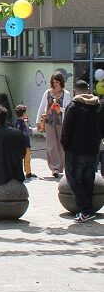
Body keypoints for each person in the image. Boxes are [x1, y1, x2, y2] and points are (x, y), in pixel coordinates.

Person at [61, 80, 104, 222]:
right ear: (88, 89)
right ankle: (87, 209)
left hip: (75, 149)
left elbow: (66, 130)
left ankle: (86, 209)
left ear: (75, 91)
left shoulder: (73, 107)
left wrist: (65, 146)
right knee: (88, 179)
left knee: (72, 179)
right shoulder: (98, 106)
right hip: (93, 149)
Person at [37, 72, 71, 177]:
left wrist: (59, 108)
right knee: (51, 145)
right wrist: (38, 121)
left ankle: (60, 166)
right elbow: (42, 107)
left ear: (61, 82)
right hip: (49, 121)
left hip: (61, 122)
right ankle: (54, 167)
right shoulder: (47, 93)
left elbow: (69, 110)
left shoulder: (66, 94)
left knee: (61, 144)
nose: (55, 84)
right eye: (53, 82)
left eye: (57, 82)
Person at [14, 104, 37, 178]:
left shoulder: (23, 121)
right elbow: (24, 132)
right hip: (22, 143)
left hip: (25, 143)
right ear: (23, 114)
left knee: (27, 158)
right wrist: (32, 130)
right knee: (21, 159)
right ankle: (20, 172)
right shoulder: (19, 123)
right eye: (26, 112)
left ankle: (28, 172)